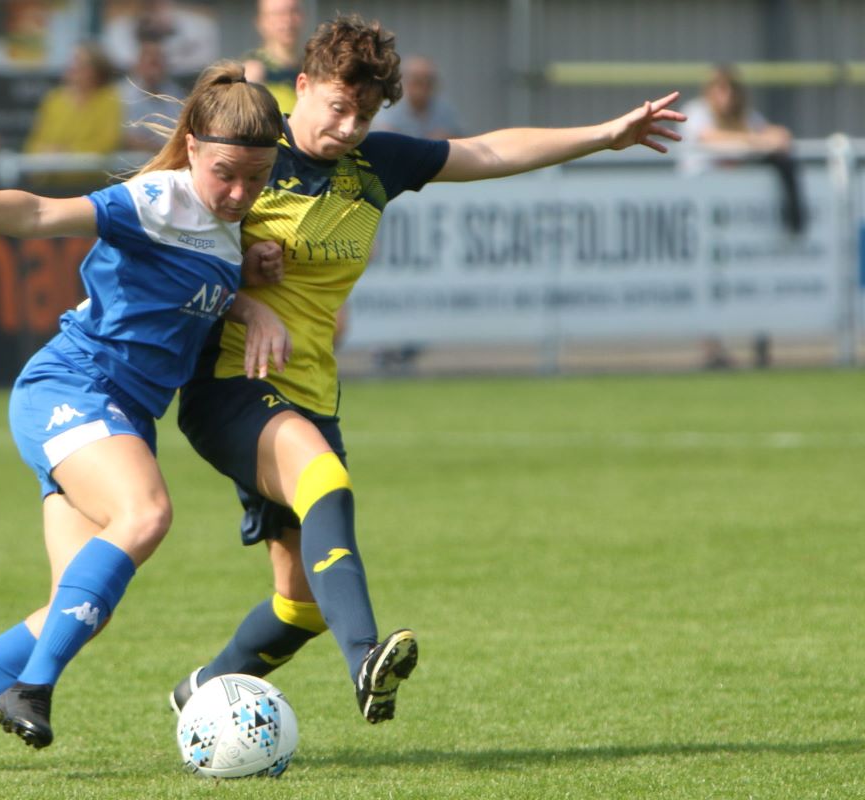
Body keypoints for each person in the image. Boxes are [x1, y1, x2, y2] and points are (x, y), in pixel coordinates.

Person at [166, 14, 686, 725]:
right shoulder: (249, 149)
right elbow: (163, 239)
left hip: (311, 393)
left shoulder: (374, 165)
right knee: (324, 481)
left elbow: (491, 151)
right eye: (338, 106)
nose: (350, 126)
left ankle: (200, 691)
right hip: (228, 385)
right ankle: (367, 661)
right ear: (305, 84)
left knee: (300, 607)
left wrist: (604, 135)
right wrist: (238, 292)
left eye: (367, 113)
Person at [0, 61, 287, 771]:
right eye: (226, 174)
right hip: (75, 387)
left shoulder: (224, 229)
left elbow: (189, 289)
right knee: (146, 514)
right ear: (194, 150)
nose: (240, 193)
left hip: (122, 414)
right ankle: (33, 689)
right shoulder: (157, 199)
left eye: (257, 180)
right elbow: (34, 214)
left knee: (78, 607)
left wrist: (247, 292)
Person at [676, 65, 803, 368]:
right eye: (720, 88)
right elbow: (711, 138)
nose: (727, 96)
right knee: (708, 280)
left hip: (740, 217)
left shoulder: (747, 118)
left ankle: (759, 342)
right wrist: (757, 141)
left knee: (752, 275)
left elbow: (778, 134)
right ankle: (712, 348)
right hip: (703, 217)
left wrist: (767, 137)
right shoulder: (695, 112)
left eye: (732, 89)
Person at [24, 42, 124, 157]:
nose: (73, 68)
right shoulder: (54, 99)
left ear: (97, 71)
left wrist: (67, 153)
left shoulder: (110, 98)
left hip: (92, 173)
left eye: (80, 64)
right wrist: (47, 152)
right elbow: (33, 144)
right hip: (49, 172)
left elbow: (107, 144)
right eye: (72, 62)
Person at [372, 54, 465, 139]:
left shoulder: (444, 109)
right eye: (418, 81)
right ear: (405, 82)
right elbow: (383, 136)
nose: (424, 87)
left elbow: (460, 138)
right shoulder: (389, 107)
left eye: (429, 82)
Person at [120, 38, 187, 152]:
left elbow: (183, 130)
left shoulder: (176, 94)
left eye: (158, 63)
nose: (154, 70)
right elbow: (127, 137)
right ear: (139, 65)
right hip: (134, 164)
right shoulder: (123, 94)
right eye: (151, 63)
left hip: (171, 159)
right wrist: (161, 149)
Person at [243, 0, 305, 114]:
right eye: (278, 14)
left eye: (293, 11)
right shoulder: (251, 72)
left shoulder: (313, 67)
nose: (288, 21)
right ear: (260, 22)